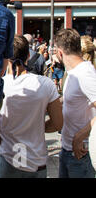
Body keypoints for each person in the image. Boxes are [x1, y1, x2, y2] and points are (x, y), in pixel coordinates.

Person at [0, 35, 63, 178]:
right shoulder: (45, 84)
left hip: (8, 158)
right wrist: (38, 126)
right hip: (36, 161)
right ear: (28, 55)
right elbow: (58, 123)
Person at [54, 28, 96, 178]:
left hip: (81, 152)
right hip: (68, 149)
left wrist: (80, 135)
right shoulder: (73, 73)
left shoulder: (85, 73)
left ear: (60, 52)